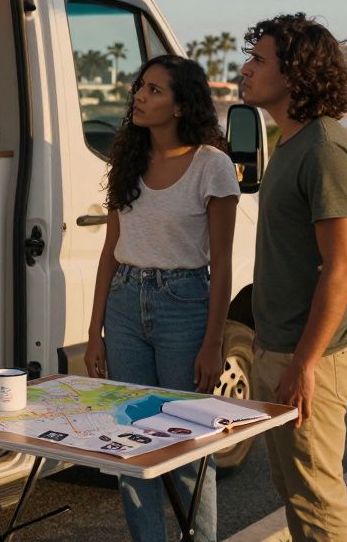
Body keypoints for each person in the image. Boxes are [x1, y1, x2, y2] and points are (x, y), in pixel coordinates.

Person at [84, 54, 240, 542]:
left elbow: (222, 264)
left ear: (180, 105)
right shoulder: (127, 159)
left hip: (184, 306)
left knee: (188, 445)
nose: (139, 96)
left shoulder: (212, 165)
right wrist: (95, 332)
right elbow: (109, 253)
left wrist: (213, 342)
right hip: (124, 304)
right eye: (140, 87)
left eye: (154, 90)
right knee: (132, 443)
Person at [238, 13, 347, 541]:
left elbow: (343, 266)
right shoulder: (292, 142)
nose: (246, 69)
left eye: (259, 60)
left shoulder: (324, 148)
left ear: (294, 74)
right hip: (281, 347)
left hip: (313, 354)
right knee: (294, 490)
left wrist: (304, 362)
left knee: (316, 499)